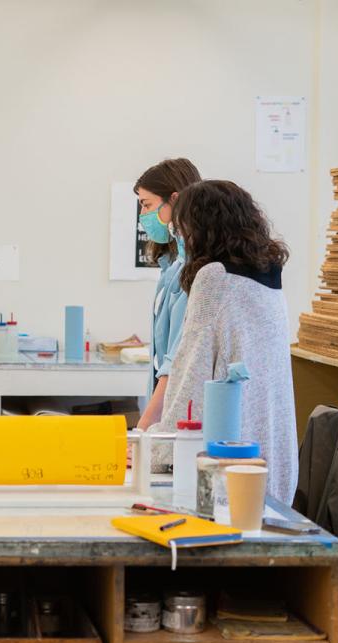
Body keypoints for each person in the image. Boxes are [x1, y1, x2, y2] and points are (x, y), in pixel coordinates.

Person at [154, 180, 297, 502]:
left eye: (182, 228)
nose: (180, 237)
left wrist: (157, 448)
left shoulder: (214, 277)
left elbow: (191, 375)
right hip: (272, 461)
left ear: (202, 227)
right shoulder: (268, 276)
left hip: (227, 467)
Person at [133, 158, 202, 432]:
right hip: (165, 410)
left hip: (178, 413)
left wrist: (142, 429)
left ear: (175, 200)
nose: (143, 215)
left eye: (147, 205)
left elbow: (174, 363)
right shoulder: (173, 267)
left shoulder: (195, 273)